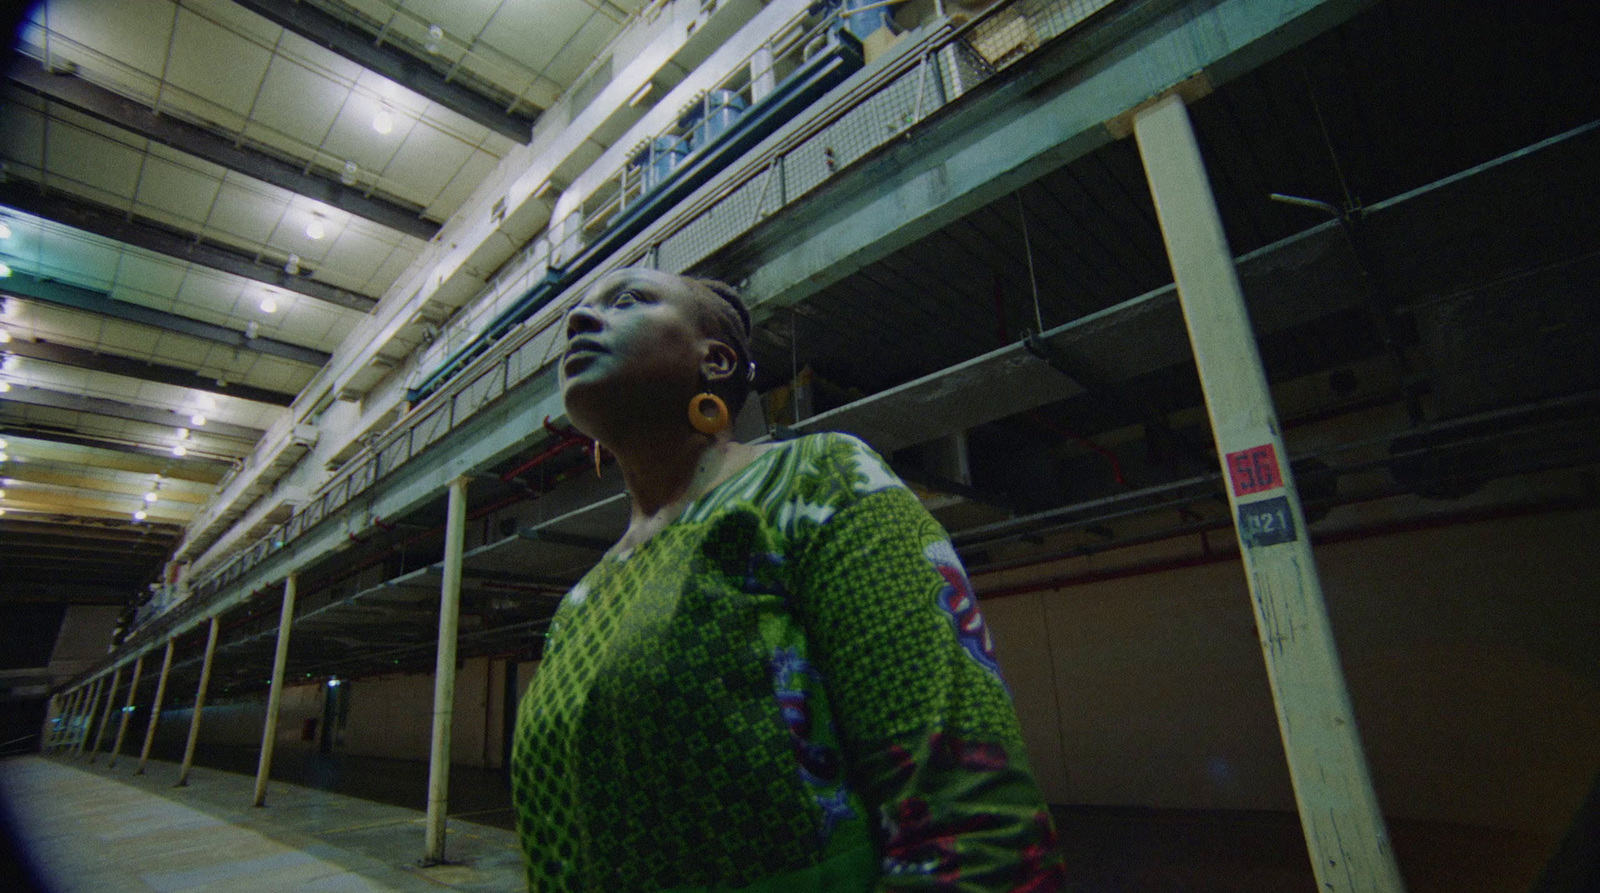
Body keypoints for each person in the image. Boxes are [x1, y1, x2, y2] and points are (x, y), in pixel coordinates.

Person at [511, 268, 1064, 892]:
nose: (579, 322)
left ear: (715, 362)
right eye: (576, 315)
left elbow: (971, 815)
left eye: (627, 301)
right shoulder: (582, 599)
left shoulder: (817, 478)